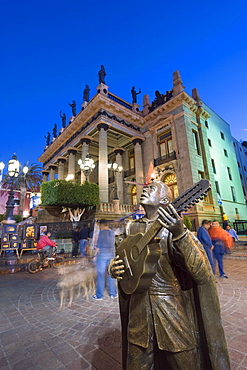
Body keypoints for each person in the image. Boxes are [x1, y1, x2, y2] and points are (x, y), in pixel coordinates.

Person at [108, 180, 230, 370]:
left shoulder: (175, 229)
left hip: (172, 311)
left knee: (186, 364)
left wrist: (180, 234)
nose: (145, 189)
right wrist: (113, 268)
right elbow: (121, 260)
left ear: (165, 200)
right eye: (146, 187)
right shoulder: (130, 228)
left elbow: (201, 273)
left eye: (152, 188)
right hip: (138, 313)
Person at [92, 219, 117, 300]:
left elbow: (98, 246)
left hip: (102, 255)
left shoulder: (101, 233)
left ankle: (99, 295)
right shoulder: (112, 232)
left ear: (102, 225)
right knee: (111, 274)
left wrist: (95, 256)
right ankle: (113, 293)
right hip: (111, 255)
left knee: (101, 275)